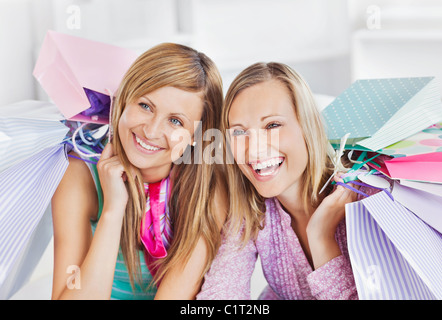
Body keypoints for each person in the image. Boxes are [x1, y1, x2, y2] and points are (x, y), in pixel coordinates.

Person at [51, 43, 227, 300]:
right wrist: (112, 210)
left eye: (175, 121)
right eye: (145, 105)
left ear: (195, 135)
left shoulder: (208, 189)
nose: (152, 131)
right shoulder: (79, 176)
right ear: (124, 101)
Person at [197, 62, 359, 300]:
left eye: (272, 125)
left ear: (308, 127)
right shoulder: (250, 210)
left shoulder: (364, 198)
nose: (254, 150)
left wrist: (321, 236)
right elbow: (220, 295)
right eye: (239, 132)